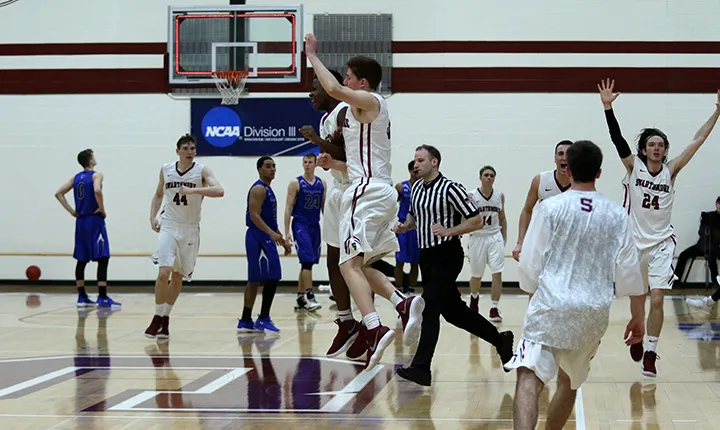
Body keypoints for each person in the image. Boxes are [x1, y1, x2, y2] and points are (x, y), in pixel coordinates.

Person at [505, 140, 646, 430]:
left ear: (568, 171)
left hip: (551, 307)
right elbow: (630, 272)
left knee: (529, 376)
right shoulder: (617, 214)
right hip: (594, 312)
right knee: (569, 383)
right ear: (599, 173)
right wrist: (637, 316)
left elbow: (530, 264)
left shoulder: (551, 208)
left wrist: (536, 296)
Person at [305, 33, 425, 372]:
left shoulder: (373, 102)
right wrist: (334, 164)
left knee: (346, 265)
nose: (344, 81)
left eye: (348, 76)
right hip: (375, 190)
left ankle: (373, 327)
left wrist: (312, 55)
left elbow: (333, 91)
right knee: (366, 264)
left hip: (366, 192)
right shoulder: (362, 116)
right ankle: (402, 304)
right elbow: (357, 160)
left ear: (364, 82)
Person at [598, 79, 720, 377]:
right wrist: (607, 107)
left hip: (662, 242)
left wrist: (717, 111)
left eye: (661, 145)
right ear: (643, 149)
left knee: (657, 296)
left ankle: (651, 351)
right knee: (637, 299)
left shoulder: (671, 170)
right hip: (632, 243)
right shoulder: (633, 167)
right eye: (651, 144)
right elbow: (617, 140)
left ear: (665, 151)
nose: (656, 148)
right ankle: (638, 331)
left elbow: (697, 140)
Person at [394, 145, 514, 387]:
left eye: (420, 160)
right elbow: (415, 218)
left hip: (447, 255)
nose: (415, 164)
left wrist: (450, 231)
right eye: (414, 160)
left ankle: (421, 368)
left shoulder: (451, 188)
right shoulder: (416, 188)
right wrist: (404, 226)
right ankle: (501, 341)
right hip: (426, 256)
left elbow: (476, 220)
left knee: (428, 308)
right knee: (454, 313)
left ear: (434, 162)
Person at [144, 134, 225, 340]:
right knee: (164, 272)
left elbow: (220, 191)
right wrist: (152, 216)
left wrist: (194, 190)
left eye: (193, 148)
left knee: (178, 275)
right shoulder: (166, 169)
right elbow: (158, 194)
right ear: (177, 151)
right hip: (169, 224)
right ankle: (156, 316)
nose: (190, 152)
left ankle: (165, 318)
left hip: (190, 227)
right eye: (186, 148)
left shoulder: (202, 170)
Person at [55, 149, 120, 308]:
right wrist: (102, 208)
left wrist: (72, 211)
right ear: (90, 160)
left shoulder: (76, 178)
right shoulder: (96, 175)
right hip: (94, 220)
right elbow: (97, 190)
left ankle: (82, 296)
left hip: (81, 222)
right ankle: (102, 297)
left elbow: (59, 193)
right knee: (103, 257)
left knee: (81, 259)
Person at [237, 156, 292, 334]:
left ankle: (246, 320)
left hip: (265, 235)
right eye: (268, 166)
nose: (272, 169)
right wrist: (271, 234)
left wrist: (281, 239)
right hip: (257, 236)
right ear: (259, 169)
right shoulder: (259, 188)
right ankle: (263, 318)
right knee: (271, 275)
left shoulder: (268, 189)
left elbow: (270, 218)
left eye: (274, 166)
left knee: (257, 278)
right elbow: (254, 215)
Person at [512, 140, 573, 262]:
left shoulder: (583, 183)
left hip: (571, 244)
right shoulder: (540, 180)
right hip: (544, 242)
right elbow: (527, 210)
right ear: (555, 158)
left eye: (569, 154)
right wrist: (520, 242)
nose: (564, 158)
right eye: (560, 154)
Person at [284, 153, 326, 311]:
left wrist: (329, 229)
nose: (307, 164)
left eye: (310, 162)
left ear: (316, 164)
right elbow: (288, 208)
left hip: (315, 225)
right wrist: (287, 231)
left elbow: (323, 208)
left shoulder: (322, 183)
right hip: (300, 225)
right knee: (307, 261)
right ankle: (310, 296)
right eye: (305, 162)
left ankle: (300, 297)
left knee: (309, 262)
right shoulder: (296, 183)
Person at [467, 165, 507, 322]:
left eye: (492, 175)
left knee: (497, 272)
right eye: (486, 175)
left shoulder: (499, 196)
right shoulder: (471, 195)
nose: (489, 177)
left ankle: (494, 308)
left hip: (494, 236)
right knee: (476, 275)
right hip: (477, 237)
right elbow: (465, 218)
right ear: (480, 177)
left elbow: (502, 217)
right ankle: (474, 299)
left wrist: (504, 237)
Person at [683, 197, 720, 310]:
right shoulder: (708, 216)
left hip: (716, 247)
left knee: (712, 254)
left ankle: (708, 302)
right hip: (705, 246)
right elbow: (702, 233)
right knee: (685, 255)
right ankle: (708, 302)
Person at [395, 161, 420, 295]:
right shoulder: (400, 187)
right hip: (403, 228)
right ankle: (399, 290)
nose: (418, 173)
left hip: (417, 228)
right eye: (415, 171)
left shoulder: (424, 187)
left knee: (415, 262)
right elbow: (392, 205)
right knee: (400, 261)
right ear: (410, 171)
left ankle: (411, 290)